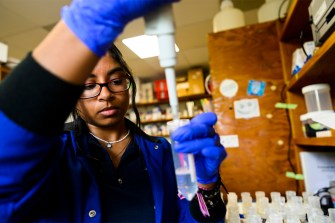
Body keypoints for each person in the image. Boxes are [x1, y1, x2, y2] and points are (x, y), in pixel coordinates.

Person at [0, 0, 227, 222]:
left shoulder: (162, 152)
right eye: (89, 86)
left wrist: (206, 185)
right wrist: (85, 24)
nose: (106, 94)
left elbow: (187, 217)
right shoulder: (56, 152)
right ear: (73, 97)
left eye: (116, 80)